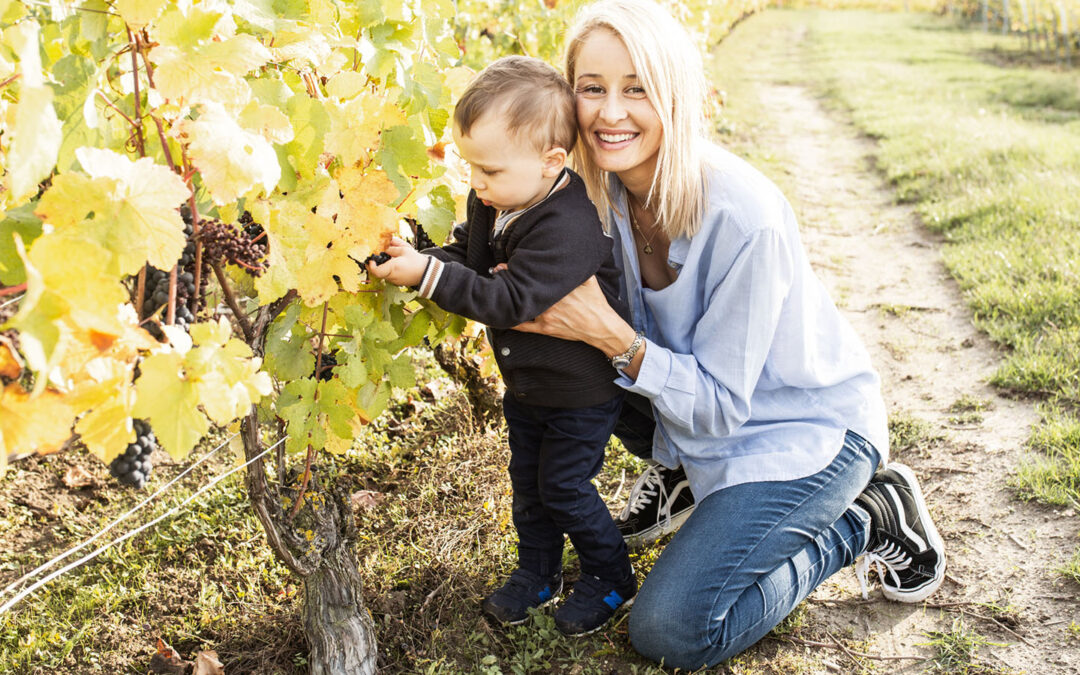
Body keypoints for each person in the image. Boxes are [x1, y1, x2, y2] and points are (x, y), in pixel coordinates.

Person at [503, 0, 948, 667]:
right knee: (569, 350)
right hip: (702, 414)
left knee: (673, 630)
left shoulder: (745, 217)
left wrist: (611, 335)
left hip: (802, 433)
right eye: (591, 88)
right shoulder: (598, 195)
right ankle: (681, 473)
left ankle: (866, 518)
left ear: (675, 95)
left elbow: (717, 405)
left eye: (637, 88)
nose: (609, 112)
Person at [369, 55, 637, 636]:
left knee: (564, 488)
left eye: (487, 171)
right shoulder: (496, 195)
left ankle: (610, 575)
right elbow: (470, 261)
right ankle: (537, 574)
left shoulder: (569, 227)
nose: (474, 183)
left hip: (579, 393)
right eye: (470, 168)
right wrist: (410, 262)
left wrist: (424, 276)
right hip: (529, 385)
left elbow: (509, 299)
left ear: (551, 163)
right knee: (528, 486)